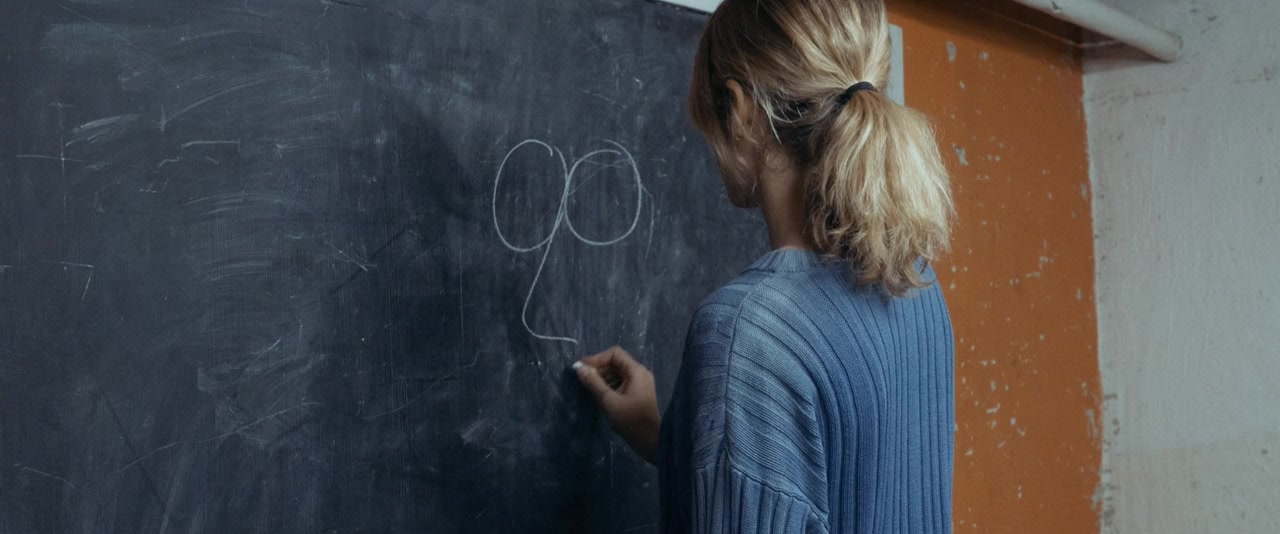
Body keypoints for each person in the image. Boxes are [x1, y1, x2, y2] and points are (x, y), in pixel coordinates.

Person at [574, 0, 956, 531]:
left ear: (741, 111)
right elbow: (836, 486)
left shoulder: (746, 335)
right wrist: (667, 436)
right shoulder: (914, 281)